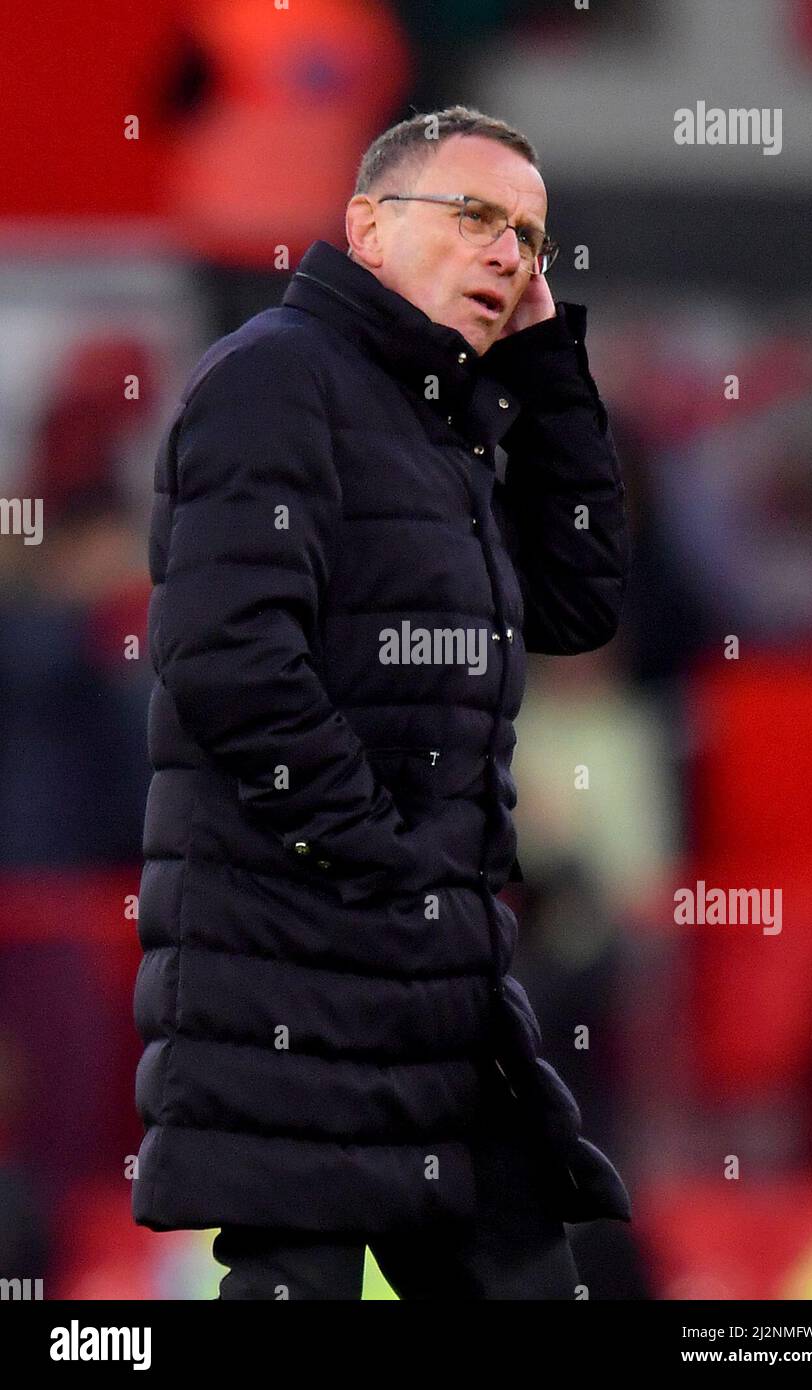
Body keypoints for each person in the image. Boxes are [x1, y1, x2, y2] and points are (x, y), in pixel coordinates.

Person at [131, 104, 632, 1299]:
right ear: (365, 226)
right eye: (472, 215)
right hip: (289, 976)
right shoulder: (274, 378)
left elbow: (578, 603)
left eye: (527, 234)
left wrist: (546, 375)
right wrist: (382, 857)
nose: (507, 252)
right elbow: (226, 660)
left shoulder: (445, 416)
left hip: (434, 988)